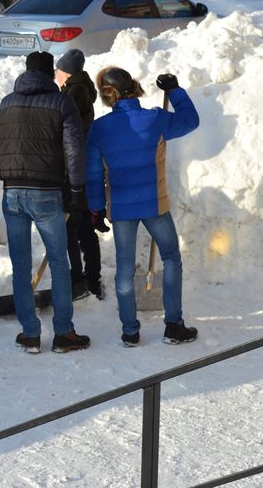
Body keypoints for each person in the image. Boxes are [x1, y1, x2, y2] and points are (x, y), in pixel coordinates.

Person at [85, 68, 200, 347]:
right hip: (154, 205)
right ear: (133, 87)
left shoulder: (99, 128)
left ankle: (130, 332)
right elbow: (190, 120)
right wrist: (174, 90)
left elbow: (93, 174)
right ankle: (173, 326)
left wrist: (97, 209)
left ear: (106, 96)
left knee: (124, 267)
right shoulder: (154, 118)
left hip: (122, 208)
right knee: (171, 257)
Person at [0, 51, 90, 355]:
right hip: (46, 191)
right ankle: (63, 333)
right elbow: (74, 150)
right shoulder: (61, 102)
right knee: (59, 262)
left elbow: (1, 143)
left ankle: (30, 334)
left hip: (12, 192)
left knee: (20, 266)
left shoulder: (7, 103)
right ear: (51, 74)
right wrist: (76, 190)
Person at [54, 50, 104, 301]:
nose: (55, 74)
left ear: (66, 71)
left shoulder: (73, 92)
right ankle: (92, 280)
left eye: (58, 70)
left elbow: (64, 129)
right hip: (81, 166)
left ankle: (80, 281)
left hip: (72, 168)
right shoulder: (80, 88)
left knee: (73, 228)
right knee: (83, 226)